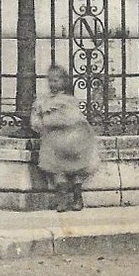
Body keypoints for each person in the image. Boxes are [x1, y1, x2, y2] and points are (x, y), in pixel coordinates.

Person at [30, 63, 99, 212]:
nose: (52, 84)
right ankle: (61, 198)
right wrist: (38, 118)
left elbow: (70, 118)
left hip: (72, 139)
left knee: (77, 168)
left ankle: (77, 196)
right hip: (54, 142)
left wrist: (47, 119)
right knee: (56, 169)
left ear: (64, 81)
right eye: (50, 80)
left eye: (56, 80)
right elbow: (36, 122)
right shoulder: (44, 100)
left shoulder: (69, 100)